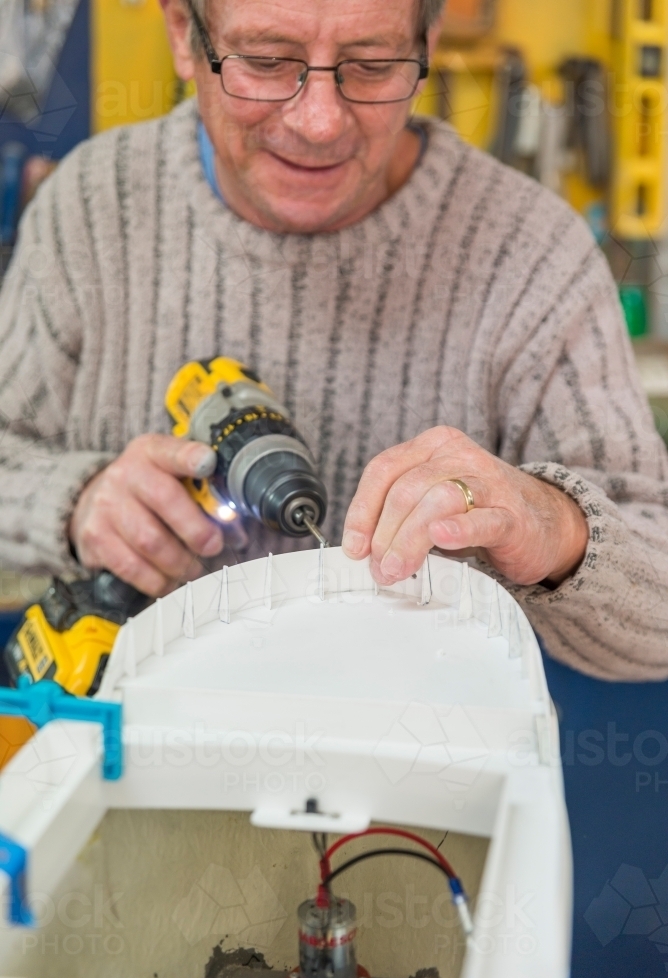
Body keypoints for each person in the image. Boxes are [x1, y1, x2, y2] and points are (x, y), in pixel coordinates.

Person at [0, 0, 666, 681]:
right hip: (121, 763)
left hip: (418, 766)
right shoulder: (90, 205)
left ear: (428, 42)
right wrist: (74, 499)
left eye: (372, 66)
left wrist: (553, 528)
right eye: (266, 61)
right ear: (183, 33)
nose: (319, 121)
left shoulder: (531, 254)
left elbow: (658, 628)